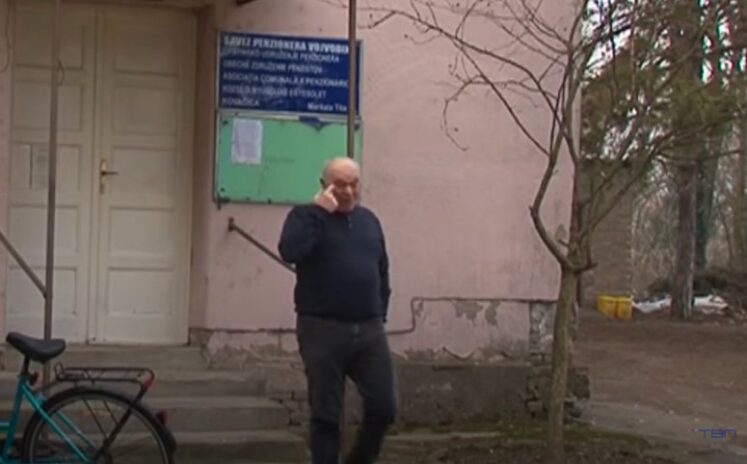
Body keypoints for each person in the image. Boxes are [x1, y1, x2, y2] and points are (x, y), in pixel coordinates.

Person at [278, 157, 396, 464]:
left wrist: (380, 311)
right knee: (326, 415)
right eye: (340, 184)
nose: (348, 191)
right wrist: (320, 213)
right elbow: (290, 251)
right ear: (324, 185)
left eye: (354, 184)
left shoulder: (369, 220)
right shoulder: (305, 216)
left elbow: (381, 269)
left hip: (368, 329)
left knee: (384, 407)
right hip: (322, 329)